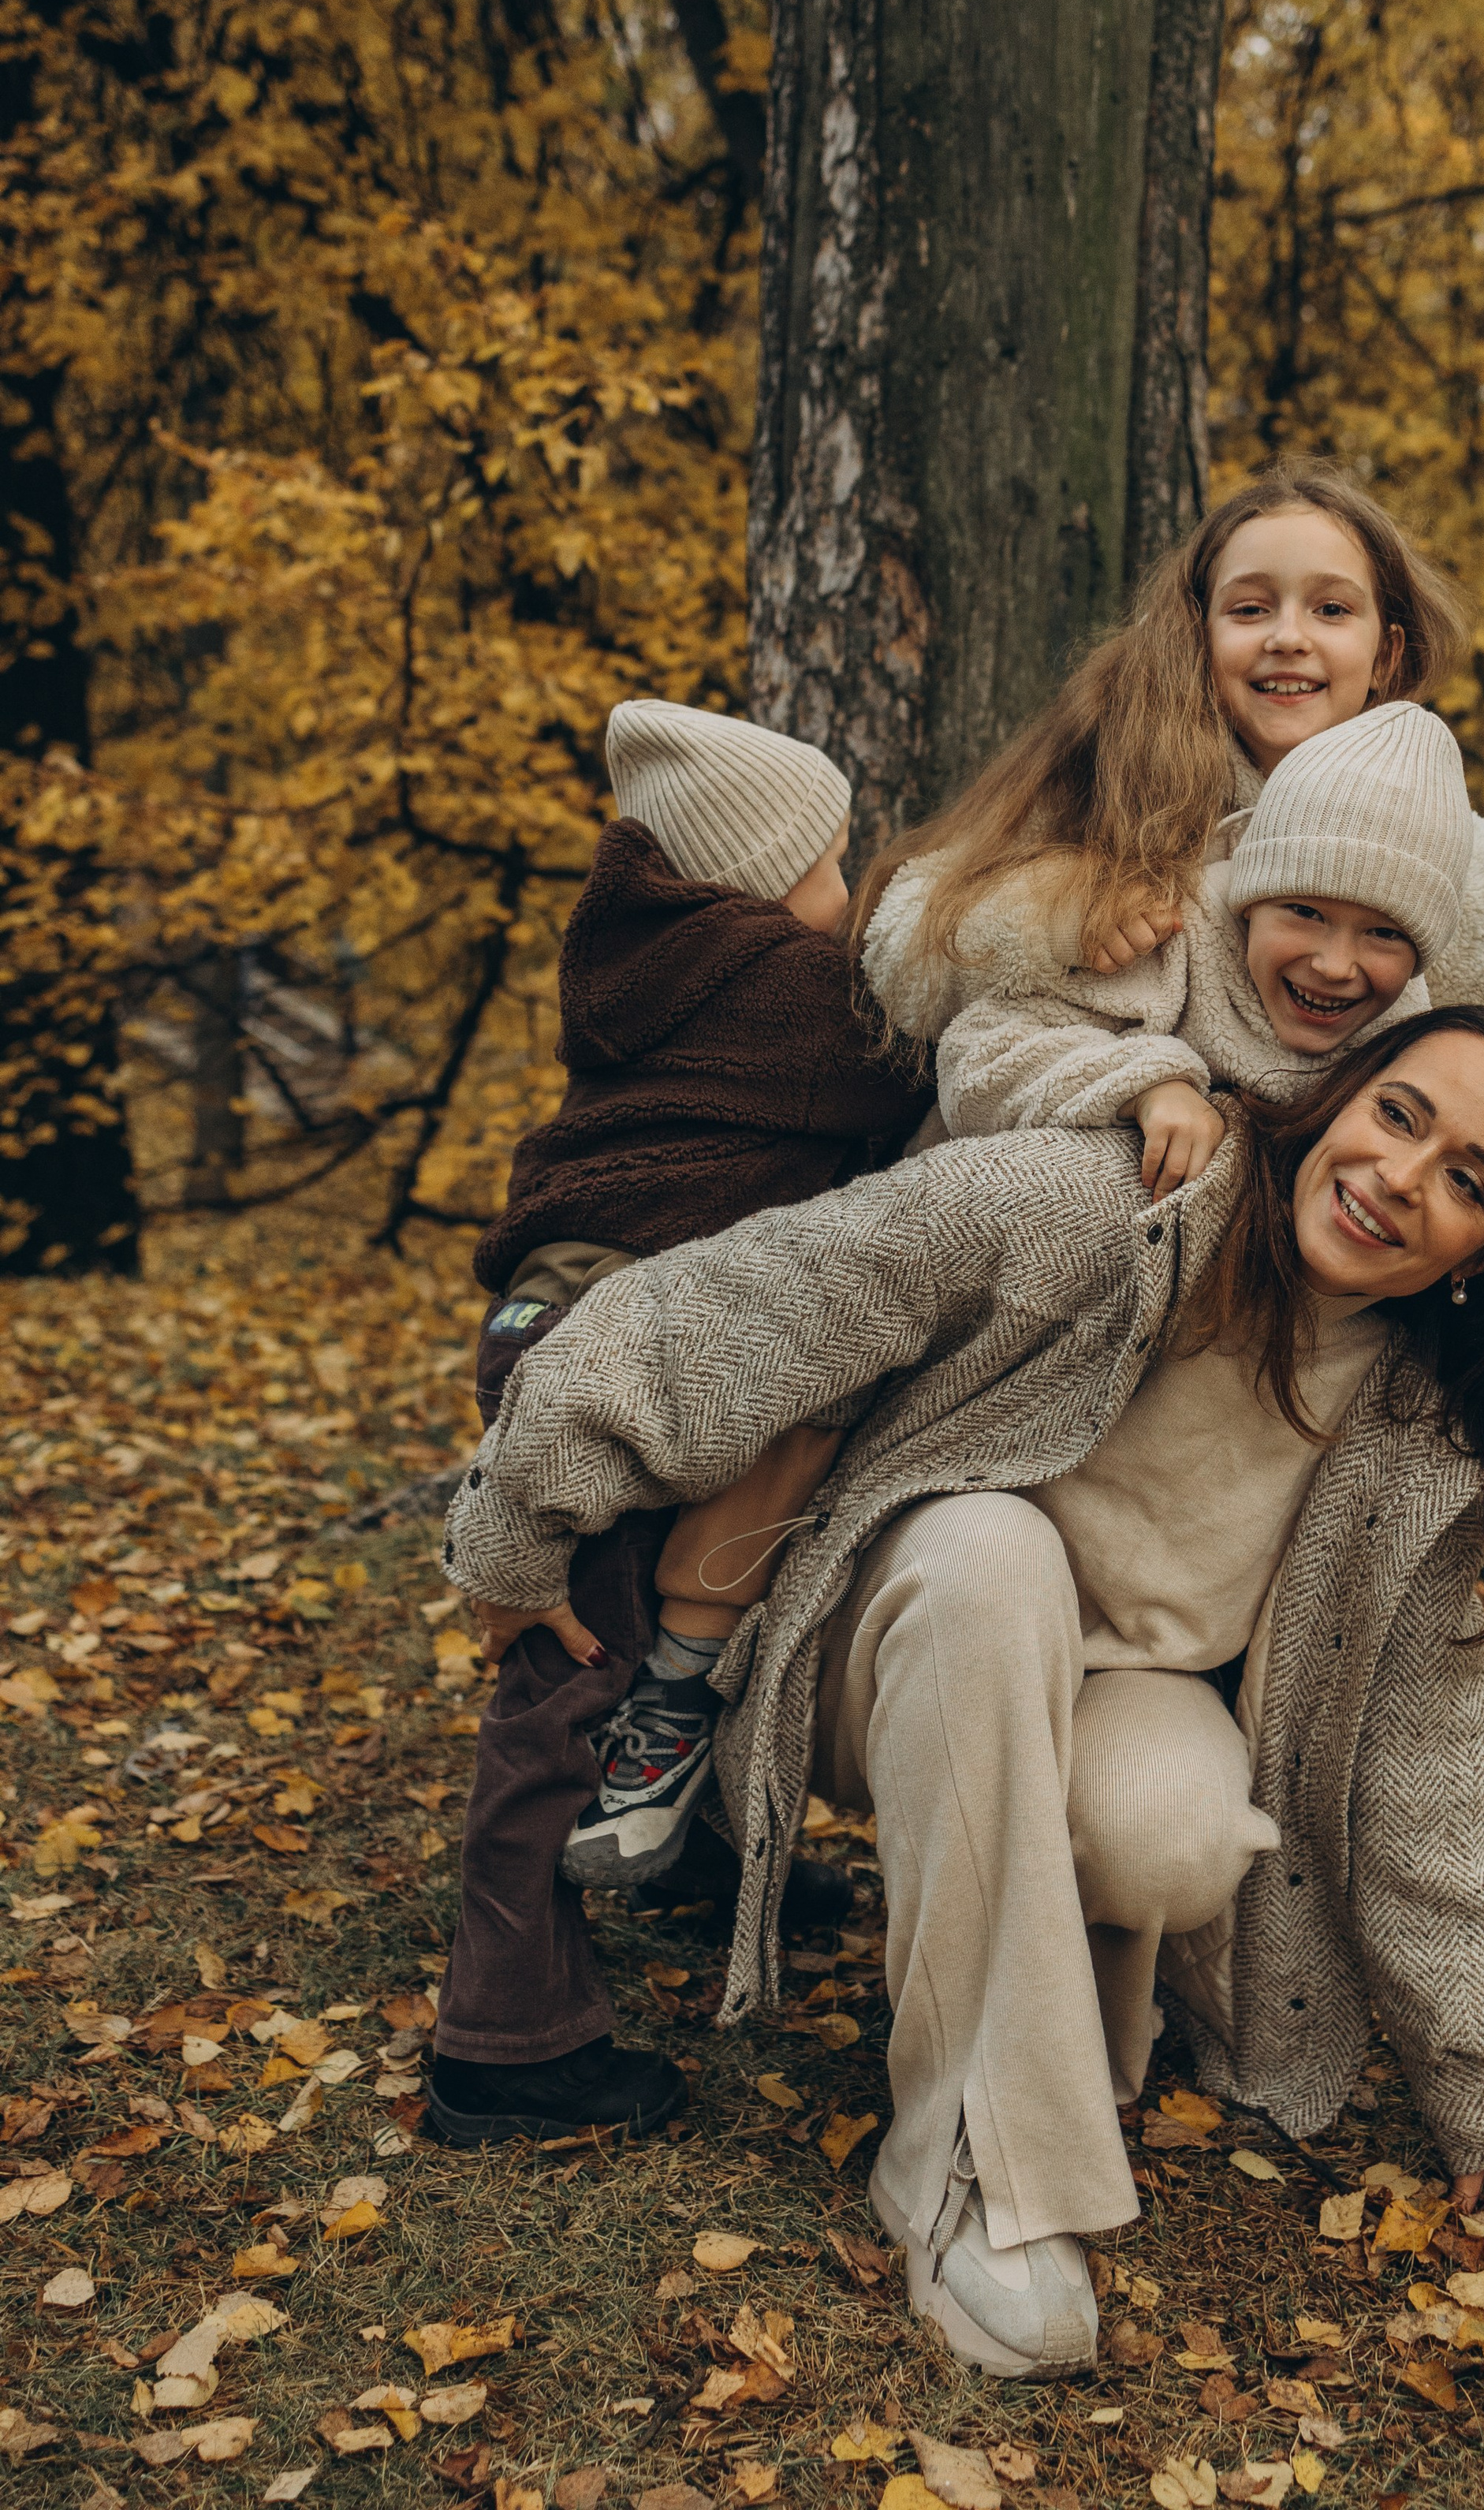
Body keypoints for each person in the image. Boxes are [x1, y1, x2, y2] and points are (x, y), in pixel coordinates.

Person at [443, 1005, 1484, 2371]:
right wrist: (521, 1508)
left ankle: (1064, 2040)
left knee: (1181, 1824)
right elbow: (749, 1305)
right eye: (1401, 1115)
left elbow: (1428, 1770)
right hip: (882, 1639)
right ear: (1337, 1099)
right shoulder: (1102, 1208)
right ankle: (966, 2176)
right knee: (994, 1554)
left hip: (1108, 1687)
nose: (1404, 1177)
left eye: (1470, 1181)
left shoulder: (1417, 1434)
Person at [427, 699, 930, 2150]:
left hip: (568, 1311)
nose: (848, 895)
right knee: (570, 1669)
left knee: (663, 1612)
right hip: (601, 1343)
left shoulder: (651, 964)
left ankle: (693, 1861)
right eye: (833, 865)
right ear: (761, 882)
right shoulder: (777, 982)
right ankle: (506, 2037)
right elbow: (910, 1064)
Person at [852, 457, 1484, 1053]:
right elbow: (898, 949)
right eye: (1249, 610)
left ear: (1385, 654)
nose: (1288, 637)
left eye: (1331, 611)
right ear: (1198, 636)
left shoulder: (1458, 856)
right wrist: (1066, 911)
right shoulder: (1112, 778)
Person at [934, 699, 1481, 1198]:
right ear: (1250, 899)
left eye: (1384, 934)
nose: (1334, 966)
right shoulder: (1181, 938)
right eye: (1305, 913)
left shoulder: (1405, 1037)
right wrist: (1148, 1085)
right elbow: (977, 1057)